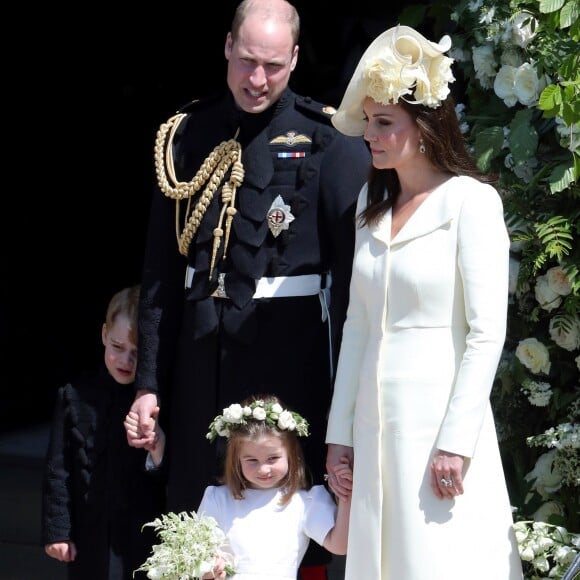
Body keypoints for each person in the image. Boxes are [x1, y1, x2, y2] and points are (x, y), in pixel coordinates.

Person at [127, 1, 370, 578]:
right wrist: (148, 383)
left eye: (273, 66)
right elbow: (161, 272)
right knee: (195, 511)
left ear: (292, 61)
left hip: (287, 361)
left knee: (288, 519)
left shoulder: (326, 139)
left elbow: (355, 288)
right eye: (247, 61)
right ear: (228, 48)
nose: (257, 80)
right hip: (200, 362)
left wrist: (349, 403)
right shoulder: (187, 135)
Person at [324, 25, 524, 579]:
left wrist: (456, 443)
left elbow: (487, 333)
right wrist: (339, 435)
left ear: (427, 125)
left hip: (439, 428)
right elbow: (357, 325)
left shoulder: (471, 202)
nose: (370, 134)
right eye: (368, 121)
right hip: (373, 426)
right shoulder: (371, 202)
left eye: (384, 122)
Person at [41, 285, 166, 580]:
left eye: (137, 353)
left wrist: (157, 447)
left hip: (141, 534)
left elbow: (168, 475)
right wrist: (57, 531)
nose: (125, 361)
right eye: (117, 346)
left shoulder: (158, 404)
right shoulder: (73, 396)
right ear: (103, 335)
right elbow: (58, 471)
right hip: (89, 533)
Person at [202, 395, 353, 580]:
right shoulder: (217, 499)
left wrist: (347, 494)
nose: (264, 469)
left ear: (291, 454)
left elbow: (339, 545)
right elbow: (201, 558)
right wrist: (210, 568)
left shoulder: (305, 502)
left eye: (273, 458)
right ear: (236, 459)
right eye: (252, 460)